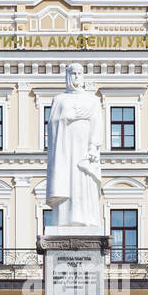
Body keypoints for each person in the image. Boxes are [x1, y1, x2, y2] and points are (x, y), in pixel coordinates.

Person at [45, 63, 103, 230]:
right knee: (67, 180)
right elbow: (51, 124)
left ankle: (85, 218)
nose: (76, 77)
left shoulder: (93, 100)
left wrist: (93, 146)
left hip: (84, 151)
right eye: (73, 73)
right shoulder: (59, 100)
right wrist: (65, 117)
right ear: (67, 76)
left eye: (79, 73)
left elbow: (97, 124)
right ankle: (64, 219)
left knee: (84, 181)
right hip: (65, 151)